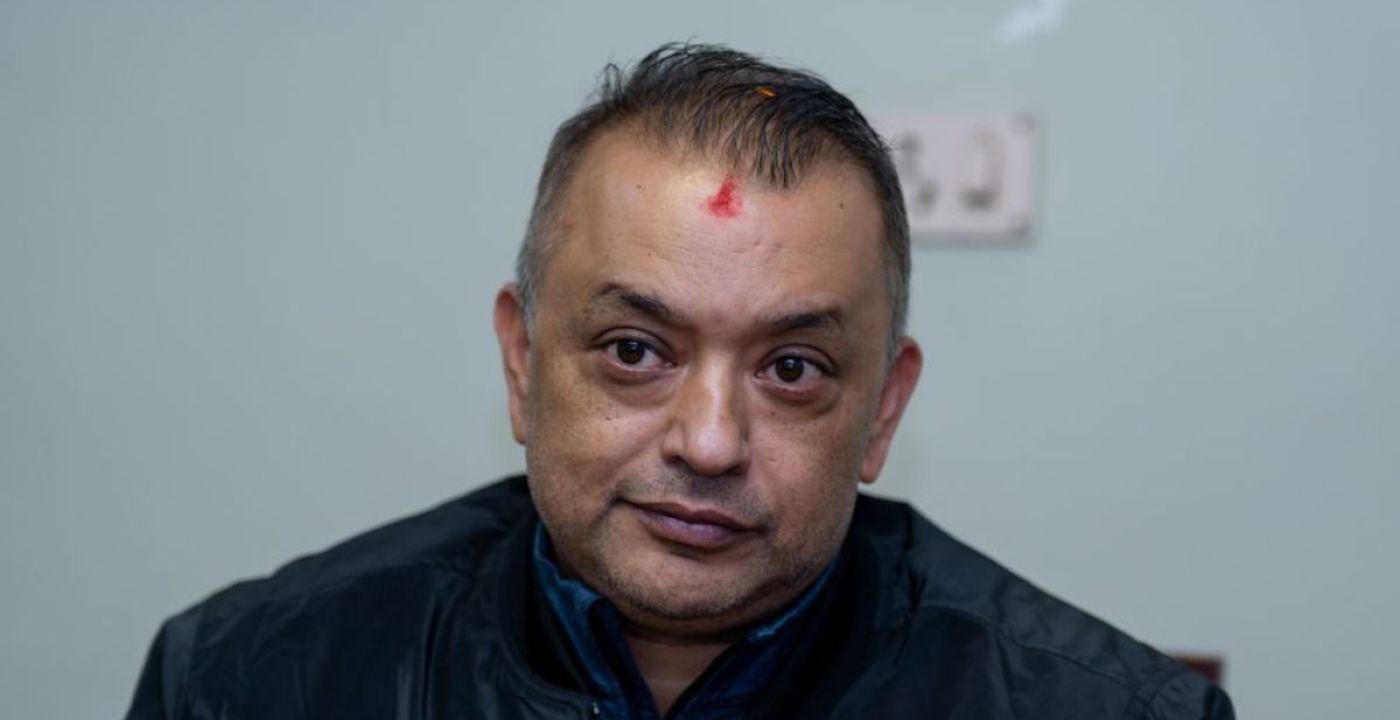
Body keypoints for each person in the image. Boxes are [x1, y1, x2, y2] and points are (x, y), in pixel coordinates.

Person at [127, 43, 1233, 719]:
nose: (708, 443)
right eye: (634, 352)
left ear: (882, 412)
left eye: (792, 368)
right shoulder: (243, 682)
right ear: (522, 362)